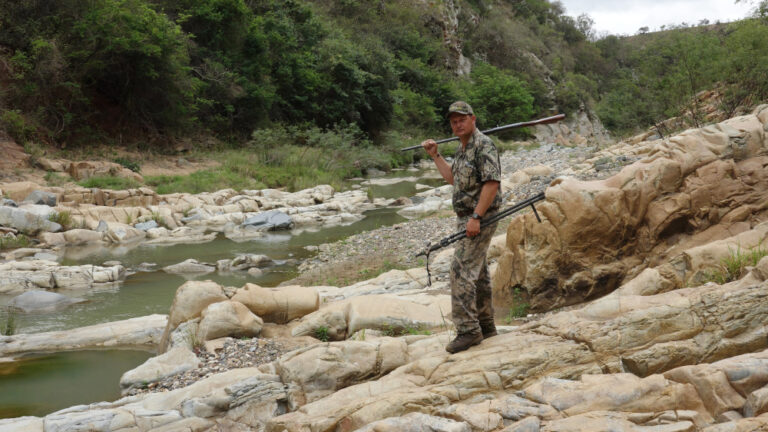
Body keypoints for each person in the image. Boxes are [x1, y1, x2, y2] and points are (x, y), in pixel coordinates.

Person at [421, 101, 502, 354]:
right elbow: (454, 179)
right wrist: (435, 155)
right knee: (478, 272)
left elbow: (492, 183)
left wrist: (476, 217)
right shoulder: (462, 147)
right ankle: (486, 325)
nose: (457, 124)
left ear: (472, 119)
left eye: (462, 120)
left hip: (480, 216)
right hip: (467, 218)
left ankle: (468, 330)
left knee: (460, 270)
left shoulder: (483, 145)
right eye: (453, 121)